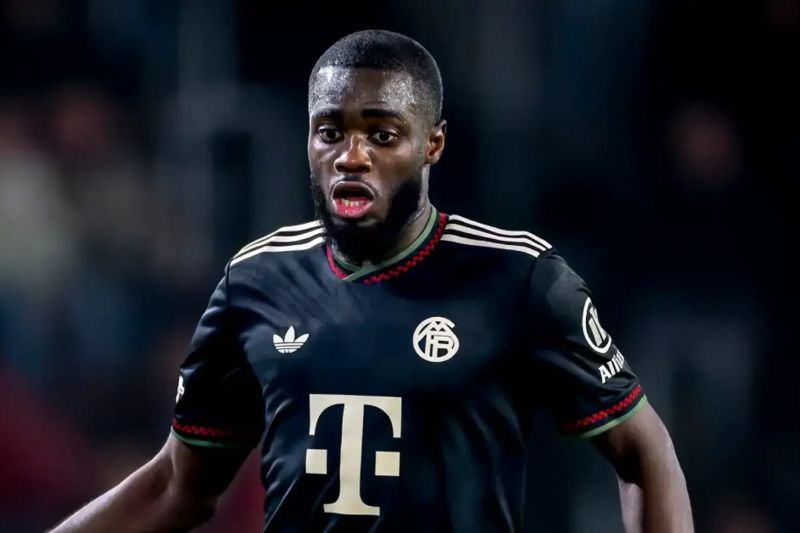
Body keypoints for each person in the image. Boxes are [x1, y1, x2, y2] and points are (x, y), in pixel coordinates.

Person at [51, 30, 693, 533]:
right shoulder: (254, 283)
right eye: (330, 132)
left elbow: (644, 452)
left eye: (382, 135)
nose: (351, 156)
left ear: (433, 144)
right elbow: (177, 486)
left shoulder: (519, 276)